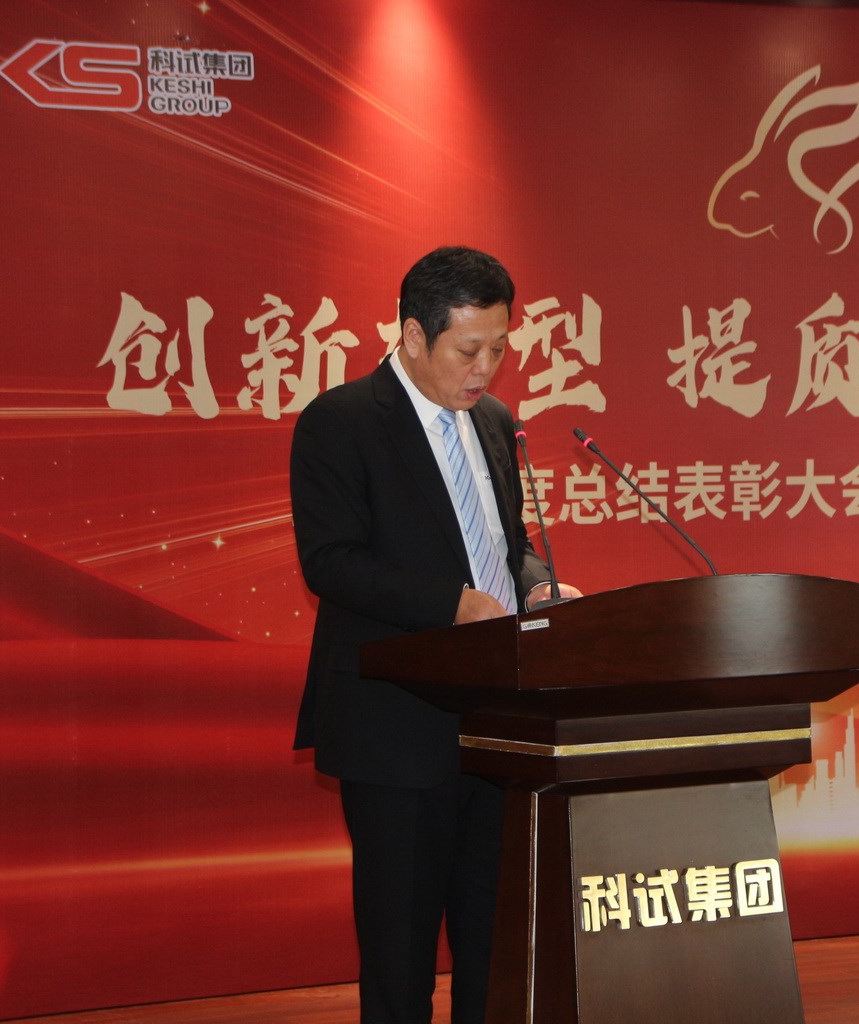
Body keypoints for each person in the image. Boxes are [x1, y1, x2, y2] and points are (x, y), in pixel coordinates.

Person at [289, 245, 580, 1024]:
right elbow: (330, 562)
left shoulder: (495, 422)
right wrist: (450, 603)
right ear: (414, 336)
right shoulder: (342, 422)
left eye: (500, 348)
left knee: (493, 945)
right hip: (397, 726)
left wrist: (534, 582)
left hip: (497, 726)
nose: (486, 369)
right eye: (469, 349)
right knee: (401, 956)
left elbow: (507, 540)